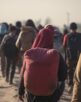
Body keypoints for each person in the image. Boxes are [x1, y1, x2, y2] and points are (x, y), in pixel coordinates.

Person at [18, 26, 67, 102]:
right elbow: (63, 76)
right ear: (51, 39)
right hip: (50, 94)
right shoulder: (55, 54)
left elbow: (23, 74)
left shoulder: (29, 53)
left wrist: (20, 92)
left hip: (31, 93)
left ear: (37, 37)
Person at [63, 22, 81, 93]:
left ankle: (70, 86)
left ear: (70, 28)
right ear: (76, 28)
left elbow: (64, 46)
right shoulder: (80, 35)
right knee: (78, 71)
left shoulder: (67, 36)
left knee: (70, 71)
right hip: (79, 57)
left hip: (70, 57)